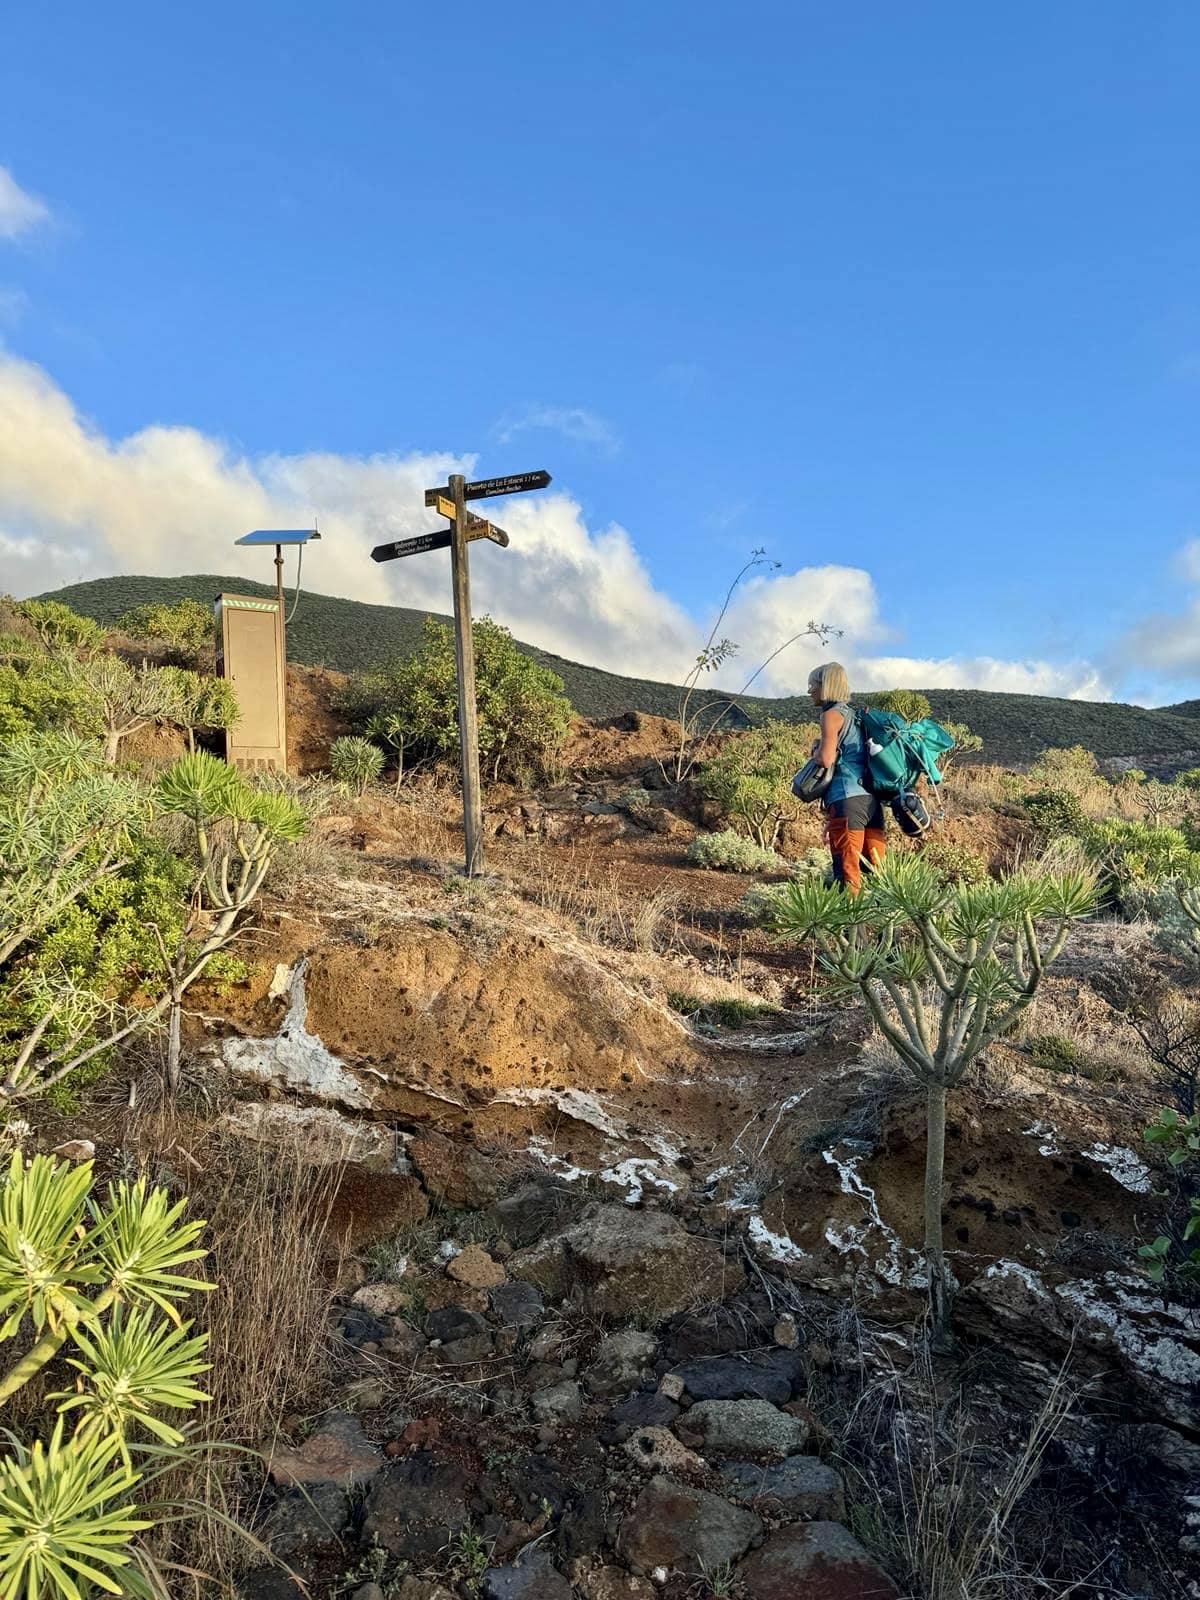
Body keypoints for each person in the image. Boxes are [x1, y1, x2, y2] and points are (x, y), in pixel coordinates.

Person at [808, 662, 886, 894]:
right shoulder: (856, 717)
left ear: (825, 686)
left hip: (847, 801)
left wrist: (815, 750)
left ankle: (851, 932)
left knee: (848, 874)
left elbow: (826, 759)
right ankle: (887, 931)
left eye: (812, 685)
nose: (809, 690)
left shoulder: (831, 715)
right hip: (872, 804)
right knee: (877, 876)